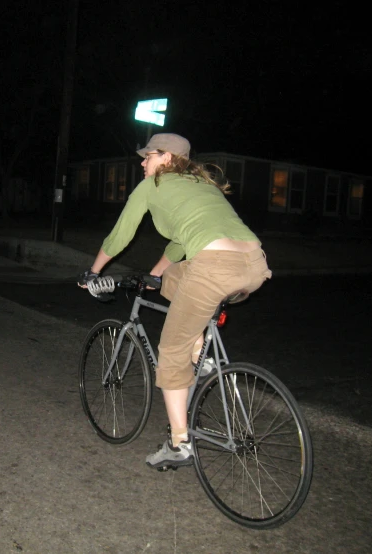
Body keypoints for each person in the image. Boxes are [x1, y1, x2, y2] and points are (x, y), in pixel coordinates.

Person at [78, 133, 272, 469]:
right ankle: (202, 355)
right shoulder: (201, 185)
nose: (142, 162)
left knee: (170, 351)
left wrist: (93, 272)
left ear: (166, 158)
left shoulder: (153, 186)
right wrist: (156, 275)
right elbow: (182, 244)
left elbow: (121, 233)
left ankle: (179, 443)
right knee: (175, 278)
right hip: (254, 265)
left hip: (213, 267)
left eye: (148, 156)